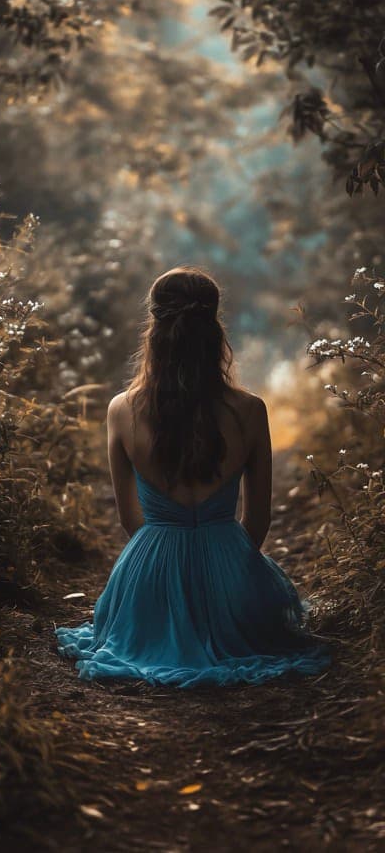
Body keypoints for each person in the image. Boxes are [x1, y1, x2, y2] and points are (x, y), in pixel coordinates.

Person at [54, 265, 332, 688]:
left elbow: (131, 521)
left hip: (149, 577)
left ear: (153, 330)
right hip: (230, 568)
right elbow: (258, 521)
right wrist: (229, 580)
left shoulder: (120, 410)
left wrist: (168, 579)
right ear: (215, 331)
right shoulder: (251, 410)